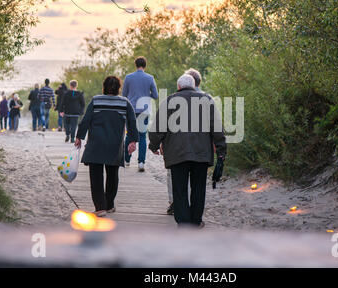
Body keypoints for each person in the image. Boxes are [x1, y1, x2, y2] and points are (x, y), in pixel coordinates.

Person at [149, 74, 227, 228]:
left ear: (178, 87)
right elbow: (217, 128)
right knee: (198, 188)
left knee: (179, 188)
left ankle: (184, 222)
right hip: (201, 153)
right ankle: (196, 221)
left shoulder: (170, 101)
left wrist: (154, 145)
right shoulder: (207, 100)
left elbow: (157, 128)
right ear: (194, 85)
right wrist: (221, 150)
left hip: (177, 154)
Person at [75, 76, 139, 217]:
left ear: (104, 87)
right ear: (118, 88)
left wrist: (79, 136)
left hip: (96, 143)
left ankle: (100, 207)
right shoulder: (125, 102)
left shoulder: (96, 100)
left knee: (96, 176)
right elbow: (132, 122)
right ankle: (109, 205)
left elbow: (86, 120)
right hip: (114, 144)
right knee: (112, 174)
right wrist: (133, 140)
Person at [165, 68, 204, 215]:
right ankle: (195, 216)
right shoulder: (207, 98)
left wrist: (158, 143)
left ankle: (176, 203)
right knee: (197, 183)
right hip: (200, 149)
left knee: (174, 176)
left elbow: (164, 123)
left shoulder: (174, 98)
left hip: (177, 148)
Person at [122, 56, 158, 172]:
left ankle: (126, 160)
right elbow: (156, 95)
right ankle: (141, 162)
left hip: (131, 110)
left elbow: (124, 95)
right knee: (142, 136)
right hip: (144, 111)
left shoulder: (128, 77)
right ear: (145, 65)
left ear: (135, 65)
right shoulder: (150, 78)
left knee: (129, 135)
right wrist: (147, 95)